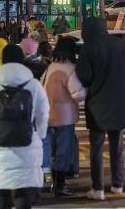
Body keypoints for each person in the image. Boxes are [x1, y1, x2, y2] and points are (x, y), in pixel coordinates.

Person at [0, 44, 49, 208]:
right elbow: (43, 113)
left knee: (2, 191)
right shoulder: (34, 84)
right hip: (27, 143)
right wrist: (40, 134)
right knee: (23, 192)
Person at [76, 17, 125, 200]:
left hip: (98, 104)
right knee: (117, 147)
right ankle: (118, 184)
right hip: (119, 101)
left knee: (97, 148)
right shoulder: (121, 44)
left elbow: (84, 76)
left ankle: (98, 188)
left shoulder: (89, 47)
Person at [42, 36, 86, 197]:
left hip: (48, 116)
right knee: (62, 151)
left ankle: (54, 182)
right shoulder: (70, 69)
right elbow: (78, 93)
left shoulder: (50, 68)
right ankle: (60, 185)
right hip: (65, 118)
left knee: (52, 150)